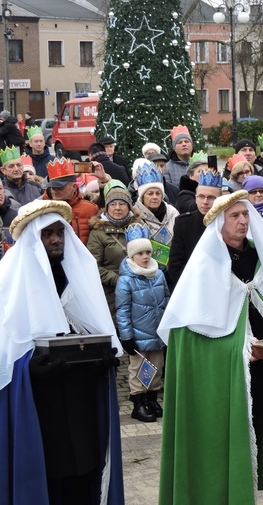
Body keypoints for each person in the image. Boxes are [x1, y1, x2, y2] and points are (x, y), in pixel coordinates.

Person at [157, 191, 263, 504]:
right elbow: (192, 332)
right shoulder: (206, 263)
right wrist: (235, 347)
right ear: (219, 222)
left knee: (259, 423)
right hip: (222, 377)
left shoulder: (259, 257)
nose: (243, 221)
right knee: (224, 438)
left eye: (246, 215)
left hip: (262, 367)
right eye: (235, 216)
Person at [0, 199, 124, 504]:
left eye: (60, 232)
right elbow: (6, 352)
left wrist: (101, 359)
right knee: (51, 477)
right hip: (40, 403)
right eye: (47, 234)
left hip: (80, 398)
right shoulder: (10, 281)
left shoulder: (76, 278)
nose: (56, 239)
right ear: (33, 239)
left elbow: (93, 331)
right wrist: (27, 369)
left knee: (84, 473)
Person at [116, 223, 169, 423]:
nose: (145, 257)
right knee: (138, 369)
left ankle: (152, 399)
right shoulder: (126, 280)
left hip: (156, 333)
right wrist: (126, 336)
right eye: (140, 253)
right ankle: (138, 402)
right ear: (131, 256)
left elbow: (166, 299)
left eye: (148, 252)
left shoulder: (159, 274)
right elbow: (122, 310)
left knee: (156, 366)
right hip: (138, 335)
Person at [86, 180, 139, 317]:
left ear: (129, 207)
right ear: (107, 207)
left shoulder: (139, 227)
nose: (117, 208)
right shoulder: (98, 232)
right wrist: (118, 280)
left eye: (122, 203)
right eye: (113, 204)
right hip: (111, 294)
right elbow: (93, 266)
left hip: (139, 293)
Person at [167, 168, 222, 291]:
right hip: (191, 287)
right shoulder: (183, 223)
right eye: (201, 196)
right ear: (195, 197)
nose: (205, 202)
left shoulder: (227, 222)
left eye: (211, 197)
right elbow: (176, 265)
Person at [44, 157, 103, 244]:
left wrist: (104, 179)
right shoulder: (42, 209)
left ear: (74, 187)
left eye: (60, 187)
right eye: (53, 187)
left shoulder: (90, 209)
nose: (55, 191)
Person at [134, 162, 179, 269]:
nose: (155, 197)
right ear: (142, 197)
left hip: (174, 265)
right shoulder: (135, 216)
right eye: (150, 193)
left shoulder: (173, 212)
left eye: (158, 193)